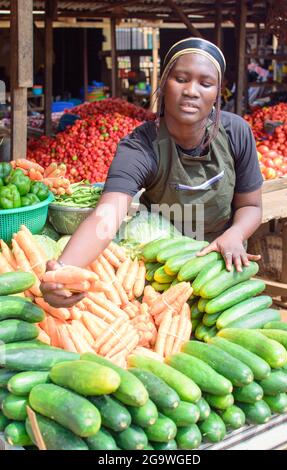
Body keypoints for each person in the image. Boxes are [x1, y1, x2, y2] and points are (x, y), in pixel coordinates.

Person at [41, 37, 262, 308]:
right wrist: (63, 270)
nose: (192, 91)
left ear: (217, 92)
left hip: (222, 265)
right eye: (181, 79)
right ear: (163, 82)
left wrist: (236, 234)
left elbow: (251, 205)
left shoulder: (237, 133)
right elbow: (107, 216)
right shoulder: (141, 147)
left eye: (205, 84)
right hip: (161, 273)